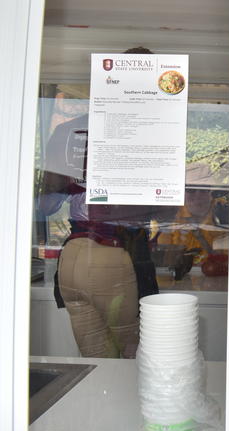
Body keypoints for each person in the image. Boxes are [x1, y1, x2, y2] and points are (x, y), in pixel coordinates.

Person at [37, 47, 160, 358]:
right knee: (132, 357)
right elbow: (162, 208)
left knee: (96, 360)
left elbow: (45, 206)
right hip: (115, 254)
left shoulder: (66, 131)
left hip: (73, 257)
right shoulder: (144, 135)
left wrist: (77, 185)